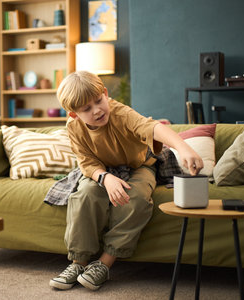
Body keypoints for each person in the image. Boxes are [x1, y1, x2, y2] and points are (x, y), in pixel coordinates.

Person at [49, 71, 204, 291]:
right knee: (85, 195)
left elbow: (152, 127)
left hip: (139, 166)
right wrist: (105, 177)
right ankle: (78, 263)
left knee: (137, 198)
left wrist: (183, 147)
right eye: (86, 109)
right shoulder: (73, 128)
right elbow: (87, 162)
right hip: (101, 170)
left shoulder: (121, 114)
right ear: (74, 115)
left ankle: (104, 263)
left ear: (105, 93)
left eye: (99, 101)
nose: (97, 110)